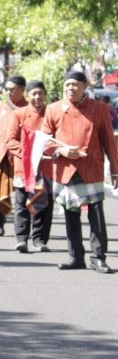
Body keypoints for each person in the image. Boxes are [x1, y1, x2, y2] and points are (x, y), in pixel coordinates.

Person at [42, 71, 118, 274]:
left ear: (85, 86)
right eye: (67, 84)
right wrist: (60, 150)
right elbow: (45, 141)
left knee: (96, 215)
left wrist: (115, 172)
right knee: (70, 214)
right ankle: (75, 256)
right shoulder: (53, 109)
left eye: (75, 84)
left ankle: (98, 257)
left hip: (90, 167)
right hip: (65, 168)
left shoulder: (99, 109)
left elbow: (110, 143)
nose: (70, 88)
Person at [5, 80, 54, 253]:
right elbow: (10, 140)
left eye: (40, 93)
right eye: (34, 93)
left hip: (46, 166)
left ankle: (40, 240)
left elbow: (56, 138)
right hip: (24, 166)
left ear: (45, 94)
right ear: (28, 95)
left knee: (44, 204)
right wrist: (27, 152)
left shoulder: (51, 113)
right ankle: (21, 239)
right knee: (21, 204)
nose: (37, 97)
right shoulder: (19, 114)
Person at [0, 75, 29, 236]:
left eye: (12, 89)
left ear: (22, 89)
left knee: (24, 193)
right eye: (7, 89)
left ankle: (25, 227)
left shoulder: (29, 107)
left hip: (20, 155)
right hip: (0, 154)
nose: (9, 92)